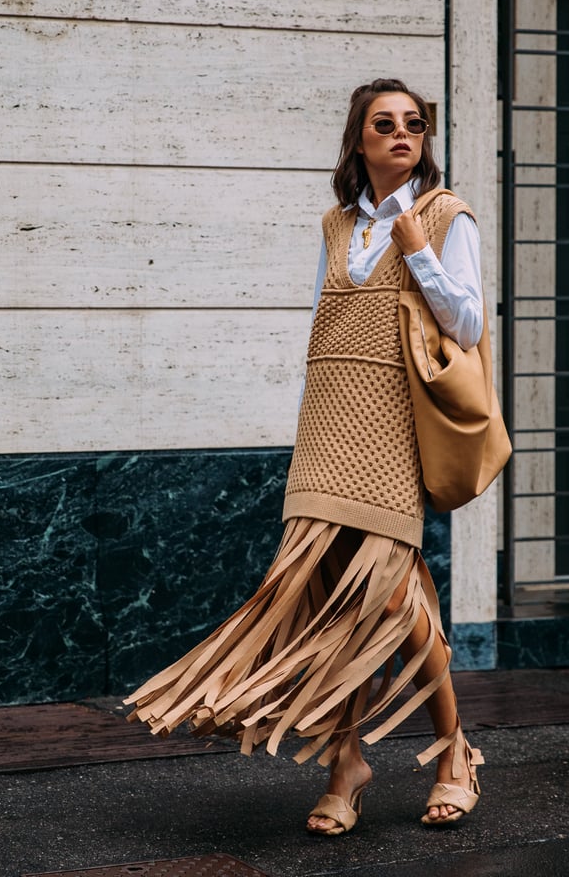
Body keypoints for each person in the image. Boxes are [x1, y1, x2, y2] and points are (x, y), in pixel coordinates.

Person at [124, 78, 486, 834]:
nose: (400, 135)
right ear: (357, 140)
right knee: (330, 595)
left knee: (388, 594)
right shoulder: (332, 225)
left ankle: (454, 751)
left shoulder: (445, 215)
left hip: (390, 425)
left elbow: (466, 320)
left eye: (412, 124)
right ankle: (345, 762)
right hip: (326, 423)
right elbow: (325, 332)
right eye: (382, 125)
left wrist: (414, 245)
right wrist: (307, 426)